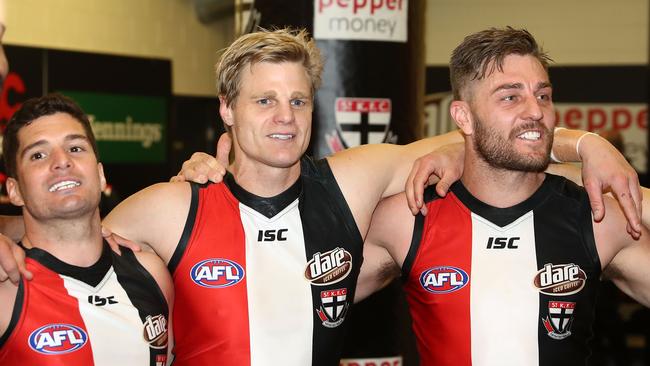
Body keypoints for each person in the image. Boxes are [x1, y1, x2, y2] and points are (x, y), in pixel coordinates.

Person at [0, 28, 641, 366]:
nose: (284, 117)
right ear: (226, 109)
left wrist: (582, 144)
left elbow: (487, 136)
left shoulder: (352, 183)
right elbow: (65, 233)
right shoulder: (174, 207)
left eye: (298, 100)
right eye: (263, 100)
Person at [350, 27, 650, 365]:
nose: (535, 111)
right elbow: (298, 307)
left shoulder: (597, 217)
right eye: (510, 96)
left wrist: (591, 160)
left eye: (543, 95)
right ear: (464, 117)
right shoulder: (407, 218)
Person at [0, 94, 173, 365]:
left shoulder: (151, 274)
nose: (62, 161)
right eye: (38, 155)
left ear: (101, 174)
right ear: (15, 190)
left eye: (76, 148)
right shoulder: (6, 288)